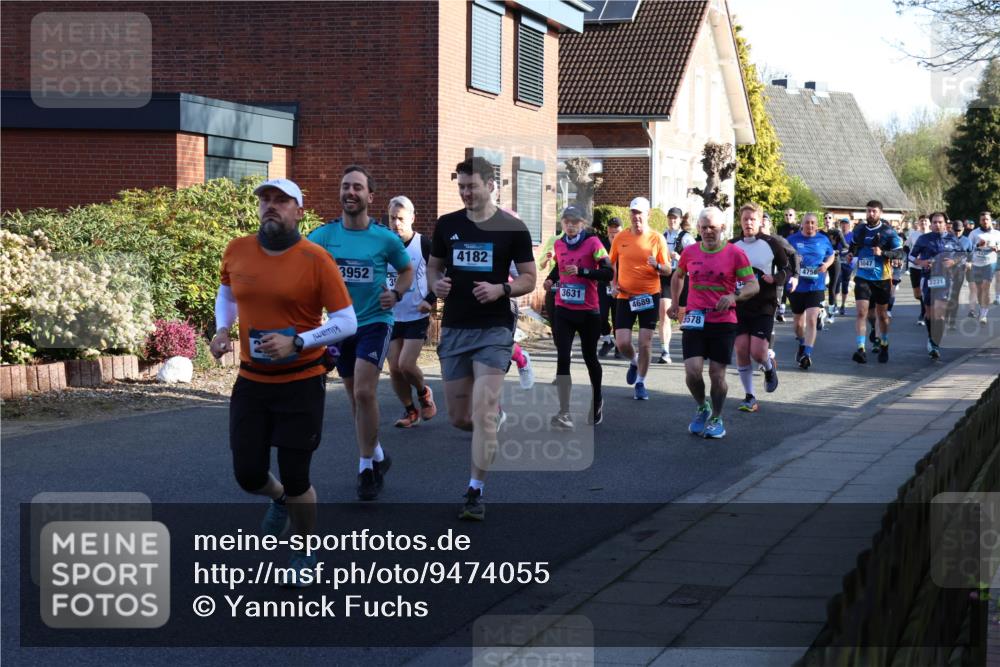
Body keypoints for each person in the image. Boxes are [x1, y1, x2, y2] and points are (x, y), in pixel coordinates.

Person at [211, 178, 356, 584]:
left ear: (299, 211)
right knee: (248, 474)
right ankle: (276, 501)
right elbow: (228, 293)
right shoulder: (237, 249)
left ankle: (306, 549)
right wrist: (223, 330)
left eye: (281, 201)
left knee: (297, 478)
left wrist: (299, 341)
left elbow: (347, 322)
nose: (271, 206)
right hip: (251, 381)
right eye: (265, 200)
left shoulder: (315, 258)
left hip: (301, 381)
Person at [427, 156, 536, 521]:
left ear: (491, 185)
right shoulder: (447, 224)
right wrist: (435, 284)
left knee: (483, 413)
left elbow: (529, 277)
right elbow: (434, 266)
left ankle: (475, 491)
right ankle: (492, 422)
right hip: (456, 327)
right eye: (461, 186)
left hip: (494, 329)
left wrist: (501, 288)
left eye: (471, 186)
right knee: (460, 418)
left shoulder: (512, 228)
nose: (465, 193)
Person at [308, 166, 414, 501]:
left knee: (366, 393)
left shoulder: (384, 238)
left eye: (357, 187)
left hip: (375, 322)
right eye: (345, 187)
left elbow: (407, 270)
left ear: (370, 196)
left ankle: (366, 467)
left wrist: (396, 294)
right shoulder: (322, 237)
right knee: (356, 398)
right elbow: (300, 268)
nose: (350, 192)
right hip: (340, 326)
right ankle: (379, 456)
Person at [669, 207, 758, 438]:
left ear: (722, 228)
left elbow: (753, 284)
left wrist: (733, 297)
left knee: (717, 375)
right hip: (695, 318)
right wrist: (675, 302)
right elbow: (677, 276)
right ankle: (702, 406)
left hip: (723, 320)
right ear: (698, 228)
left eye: (713, 227)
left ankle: (717, 417)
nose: (708, 231)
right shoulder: (689, 252)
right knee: (692, 371)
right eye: (704, 227)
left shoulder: (735, 254)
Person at [543, 206, 613, 428]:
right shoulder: (559, 243)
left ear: (583, 223)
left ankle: (598, 399)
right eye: (566, 221)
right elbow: (559, 268)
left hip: (588, 311)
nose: (570, 225)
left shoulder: (593, 243)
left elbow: (608, 272)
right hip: (563, 309)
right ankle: (564, 412)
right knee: (563, 357)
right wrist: (550, 279)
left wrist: (583, 272)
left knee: (589, 357)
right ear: (562, 223)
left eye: (575, 222)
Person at [384, 195, 438, 428]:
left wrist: (431, 299)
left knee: (406, 364)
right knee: (395, 368)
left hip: (417, 313)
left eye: (401, 219)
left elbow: (440, 275)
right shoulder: (383, 245)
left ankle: (424, 392)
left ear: (412, 219)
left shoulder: (423, 244)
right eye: (392, 218)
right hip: (390, 315)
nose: (396, 223)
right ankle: (410, 411)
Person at [609, 196, 671, 401]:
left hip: (650, 295)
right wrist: (613, 283)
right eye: (633, 213)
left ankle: (641, 382)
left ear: (648, 215)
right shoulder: (621, 237)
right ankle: (634, 361)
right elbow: (611, 263)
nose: (636, 217)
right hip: (625, 296)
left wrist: (657, 266)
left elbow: (668, 269)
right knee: (622, 342)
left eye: (640, 213)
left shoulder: (657, 238)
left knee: (645, 341)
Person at [733, 203, 789, 412]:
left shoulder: (771, 243)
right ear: (740, 221)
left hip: (764, 303)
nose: (748, 223)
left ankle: (768, 365)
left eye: (752, 219)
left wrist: (775, 278)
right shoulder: (732, 245)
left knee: (757, 352)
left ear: (759, 221)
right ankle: (750, 396)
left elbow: (787, 268)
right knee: (740, 348)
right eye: (745, 219)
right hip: (739, 305)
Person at [847, 200, 906, 364]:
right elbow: (852, 247)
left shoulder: (888, 231)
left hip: (882, 279)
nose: (870, 214)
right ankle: (860, 349)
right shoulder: (859, 229)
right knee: (861, 313)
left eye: (874, 211)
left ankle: (885, 344)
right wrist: (850, 254)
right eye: (868, 211)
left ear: (880, 213)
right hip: (863, 276)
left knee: (882, 315)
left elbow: (900, 254)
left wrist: (883, 253)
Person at [910, 212, 964, 359]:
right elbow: (911, 256)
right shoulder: (923, 239)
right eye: (934, 222)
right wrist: (921, 263)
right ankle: (930, 337)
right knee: (929, 314)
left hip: (945, 280)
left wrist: (954, 262)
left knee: (939, 315)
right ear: (931, 223)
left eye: (940, 222)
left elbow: (962, 255)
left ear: (946, 224)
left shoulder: (952, 238)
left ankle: (934, 343)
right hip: (927, 279)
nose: (937, 225)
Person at [787, 213, 836, 369]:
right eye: (807, 223)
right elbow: (783, 258)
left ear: (817, 224)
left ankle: (807, 354)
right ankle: (802, 342)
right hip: (797, 287)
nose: (810, 226)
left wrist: (827, 265)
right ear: (802, 224)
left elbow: (832, 255)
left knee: (812, 320)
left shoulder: (823, 240)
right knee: (797, 324)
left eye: (813, 223)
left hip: (816, 286)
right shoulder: (792, 240)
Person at [657, 207, 685, 363]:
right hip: (666, 277)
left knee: (683, 317)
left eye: (675, 218)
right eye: (670, 217)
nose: (672, 220)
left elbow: (695, 260)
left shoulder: (687, 238)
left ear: (680, 220)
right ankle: (665, 351)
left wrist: (680, 257)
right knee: (664, 313)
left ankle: (692, 349)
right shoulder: (661, 236)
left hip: (682, 277)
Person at [967, 211, 999, 325]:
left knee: (986, 287)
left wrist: (997, 248)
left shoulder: (997, 234)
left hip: (990, 263)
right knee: (979, 290)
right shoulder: (974, 233)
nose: (985, 221)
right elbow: (968, 248)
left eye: (987, 219)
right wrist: (977, 245)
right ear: (979, 221)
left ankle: (984, 315)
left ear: (990, 220)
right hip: (976, 264)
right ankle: (982, 308)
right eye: (983, 219)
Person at [598, 217, 623, 358]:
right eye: (611, 233)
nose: (613, 236)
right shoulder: (601, 244)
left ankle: (619, 345)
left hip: (621, 285)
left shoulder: (626, 243)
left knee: (617, 317)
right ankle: (607, 340)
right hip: (604, 285)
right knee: (601, 315)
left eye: (617, 233)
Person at [945, 219, 974, 329]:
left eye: (959, 230)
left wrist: (970, 262)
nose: (957, 232)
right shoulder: (945, 239)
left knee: (955, 296)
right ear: (951, 229)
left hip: (960, 270)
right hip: (946, 270)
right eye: (955, 230)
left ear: (963, 229)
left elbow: (971, 253)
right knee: (945, 295)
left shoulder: (967, 241)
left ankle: (952, 322)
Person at [820, 212, 847, 324]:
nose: (827, 219)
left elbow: (846, 247)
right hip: (822, 261)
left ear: (833, 219)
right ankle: (820, 311)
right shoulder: (820, 232)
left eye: (829, 218)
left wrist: (837, 251)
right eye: (825, 218)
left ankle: (831, 313)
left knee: (832, 287)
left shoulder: (837, 232)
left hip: (835, 261)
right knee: (820, 285)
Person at [906, 215, 930, 325]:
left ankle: (923, 313)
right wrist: (910, 255)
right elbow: (906, 247)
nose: (923, 223)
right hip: (914, 266)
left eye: (925, 221)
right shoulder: (913, 234)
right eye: (921, 221)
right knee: (917, 293)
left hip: (927, 267)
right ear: (919, 223)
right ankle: (924, 306)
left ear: (929, 223)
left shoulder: (932, 235)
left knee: (925, 291)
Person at [836, 218, 855, 315]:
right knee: (836, 283)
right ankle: (835, 304)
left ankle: (843, 305)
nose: (844, 226)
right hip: (838, 262)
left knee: (845, 284)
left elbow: (855, 248)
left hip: (848, 263)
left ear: (849, 225)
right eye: (842, 224)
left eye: (846, 224)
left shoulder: (853, 236)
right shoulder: (837, 235)